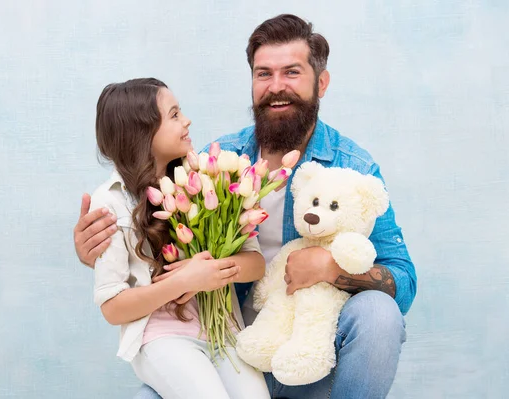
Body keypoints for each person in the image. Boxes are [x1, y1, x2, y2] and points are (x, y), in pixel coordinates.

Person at [75, 15, 417, 399]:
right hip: (226, 345)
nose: (276, 87)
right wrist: (100, 245)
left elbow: (403, 282)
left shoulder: (353, 168)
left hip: (308, 357)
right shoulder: (214, 165)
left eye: (291, 72)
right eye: (263, 74)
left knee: (379, 315)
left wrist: (332, 269)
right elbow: (145, 221)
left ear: (321, 83)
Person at [88, 77, 270, 399]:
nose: (186, 121)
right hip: (161, 337)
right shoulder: (111, 202)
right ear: (142, 131)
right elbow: (112, 307)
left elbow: (255, 264)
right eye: (173, 115)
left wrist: (212, 272)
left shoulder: (209, 180)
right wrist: (184, 280)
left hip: (223, 332)